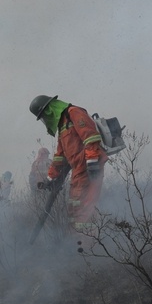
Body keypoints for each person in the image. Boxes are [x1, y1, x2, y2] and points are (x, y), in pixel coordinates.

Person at [29, 94, 107, 234]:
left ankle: (88, 242)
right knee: (74, 207)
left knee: (83, 207)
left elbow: (90, 136)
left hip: (88, 169)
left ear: (48, 110)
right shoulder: (62, 125)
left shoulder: (74, 113)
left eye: (43, 116)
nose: (44, 120)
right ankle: (77, 240)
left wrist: (92, 162)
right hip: (79, 171)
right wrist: (51, 177)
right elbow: (60, 155)